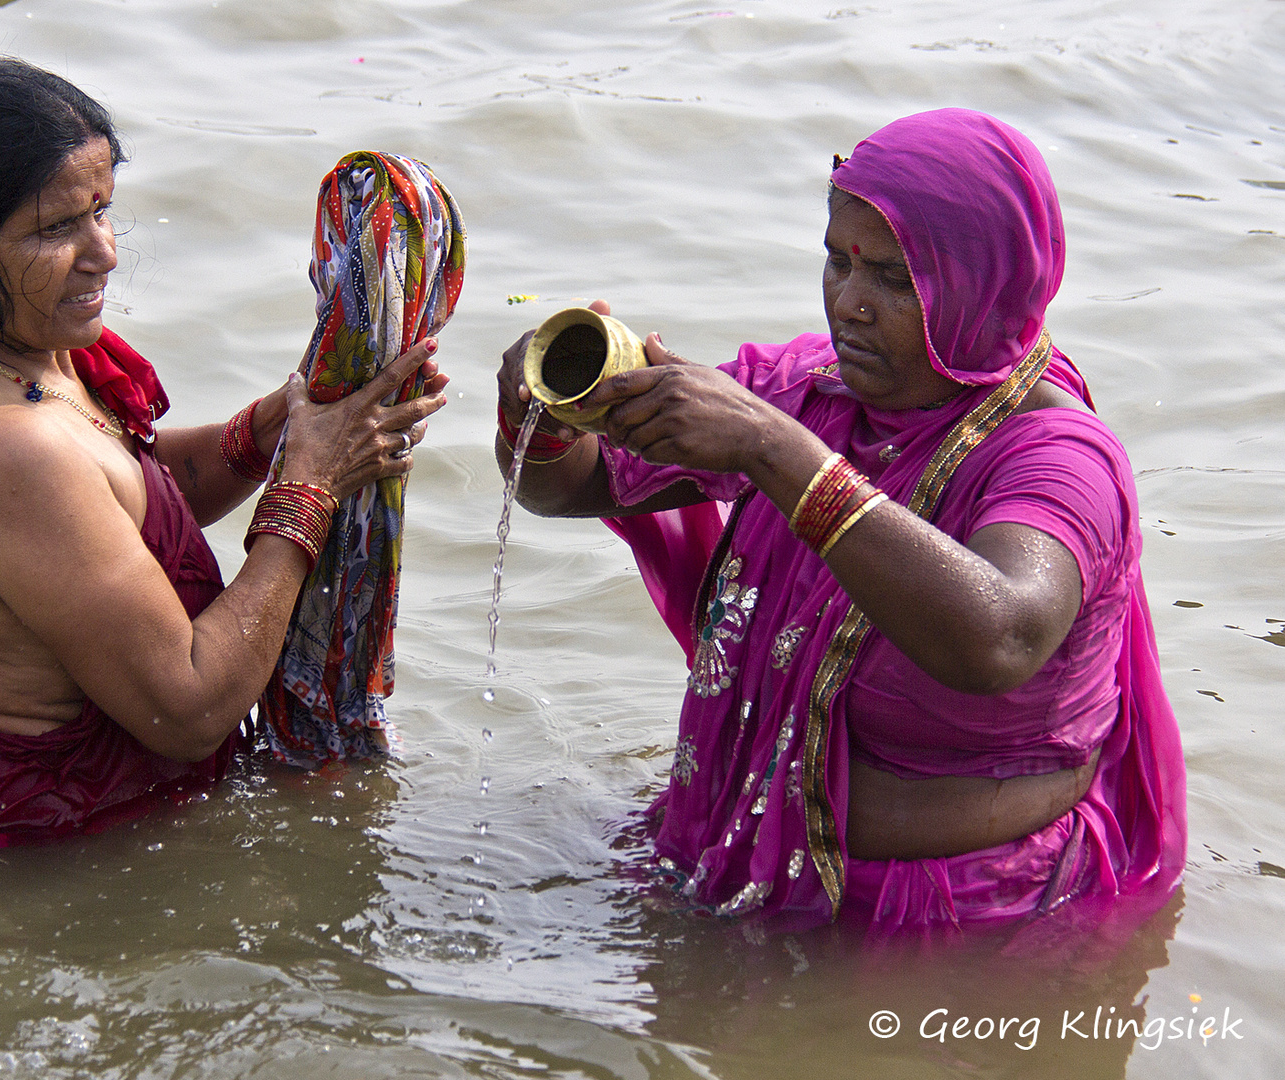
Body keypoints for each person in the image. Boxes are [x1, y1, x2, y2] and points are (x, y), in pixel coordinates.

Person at [495, 109, 1185, 934]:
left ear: (985, 281)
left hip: (972, 923)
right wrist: (546, 421)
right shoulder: (805, 390)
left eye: (894, 279)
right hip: (731, 860)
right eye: (836, 261)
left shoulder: (1058, 455)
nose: (849, 304)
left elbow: (1001, 634)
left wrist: (770, 449)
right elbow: (574, 487)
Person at [0, 59, 447, 843]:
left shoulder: (3, 345)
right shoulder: (5, 451)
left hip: (9, 785)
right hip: (60, 852)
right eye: (56, 228)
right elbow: (188, 709)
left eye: (102, 211)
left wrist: (282, 425)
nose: (105, 252)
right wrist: (312, 487)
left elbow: (122, 501)